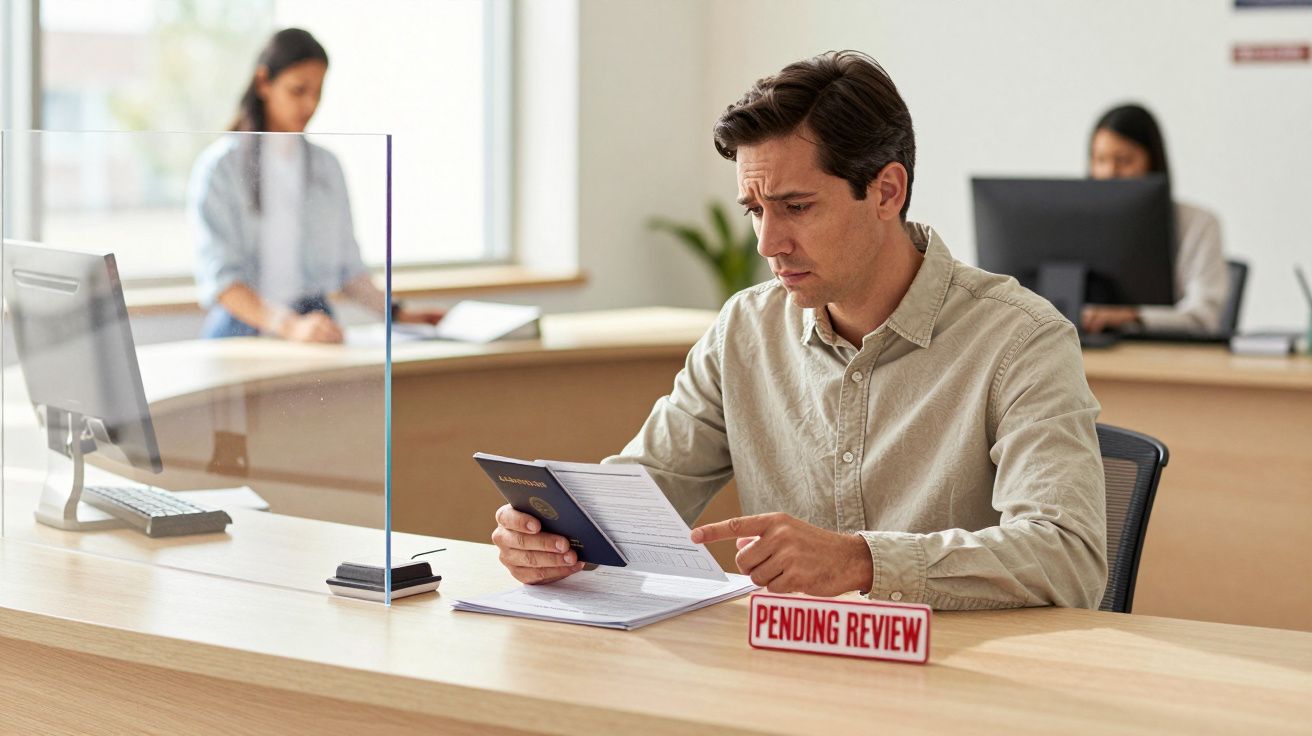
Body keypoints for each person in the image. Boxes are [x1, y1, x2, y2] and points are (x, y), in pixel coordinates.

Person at [490, 51, 1107, 610]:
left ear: (887, 191)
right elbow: (633, 503)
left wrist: (861, 561)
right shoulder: (745, 329)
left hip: (955, 689)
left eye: (796, 206)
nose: (767, 243)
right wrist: (555, 538)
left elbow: (1067, 556)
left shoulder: (1021, 339)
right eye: (755, 210)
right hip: (787, 679)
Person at [188, 28, 441, 342]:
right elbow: (223, 280)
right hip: (244, 328)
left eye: (318, 92)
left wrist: (399, 314)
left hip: (315, 324)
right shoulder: (219, 169)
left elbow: (349, 269)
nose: (310, 104)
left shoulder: (327, 167)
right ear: (264, 82)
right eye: (298, 90)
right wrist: (290, 326)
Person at [1082, 104, 1228, 335]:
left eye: (1124, 160)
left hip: (1168, 359)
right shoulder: (1078, 224)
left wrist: (1131, 317)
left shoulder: (1198, 224)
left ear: (1152, 161)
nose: (1109, 173)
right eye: (1100, 160)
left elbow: (1204, 318)